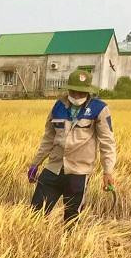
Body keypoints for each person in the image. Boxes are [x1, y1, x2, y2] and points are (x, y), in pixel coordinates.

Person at [27, 69, 117, 223]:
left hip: (79, 171)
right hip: (54, 167)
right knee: (35, 213)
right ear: (69, 89)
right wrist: (36, 163)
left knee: (72, 218)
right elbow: (48, 138)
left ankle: (69, 245)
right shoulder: (58, 106)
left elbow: (107, 142)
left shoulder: (99, 109)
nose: (76, 96)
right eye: (74, 92)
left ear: (88, 91)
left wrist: (107, 171)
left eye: (81, 93)